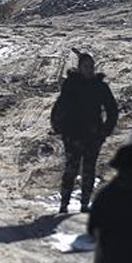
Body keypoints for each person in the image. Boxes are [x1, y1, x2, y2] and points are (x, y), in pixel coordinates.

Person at [50, 49, 118, 213]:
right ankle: (64, 204)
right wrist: (58, 126)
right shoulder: (71, 85)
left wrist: (105, 130)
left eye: (91, 66)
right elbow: (61, 106)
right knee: (71, 169)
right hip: (73, 135)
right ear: (79, 67)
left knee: (89, 170)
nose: (89, 69)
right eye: (86, 66)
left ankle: (85, 204)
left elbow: (112, 109)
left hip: (93, 136)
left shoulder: (100, 86)